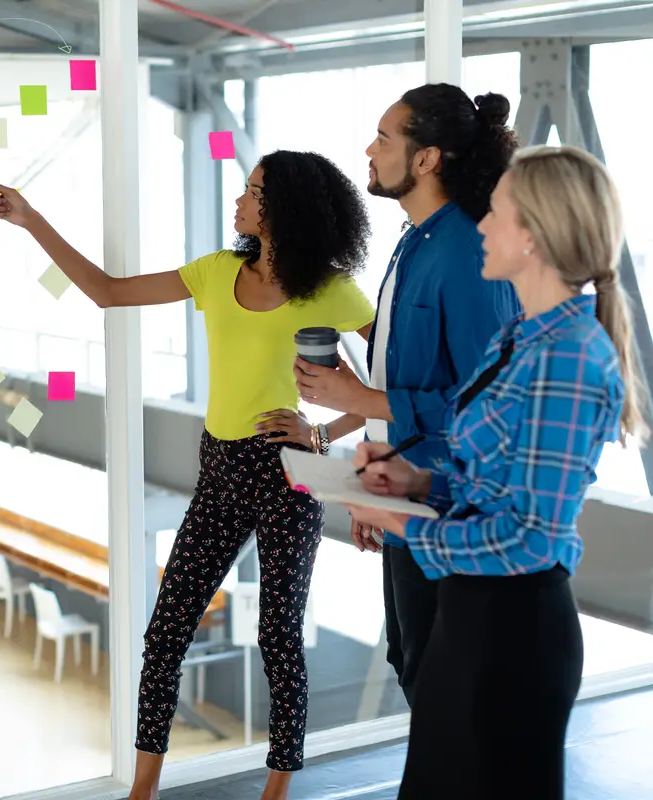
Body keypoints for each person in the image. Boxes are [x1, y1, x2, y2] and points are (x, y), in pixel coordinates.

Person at [0, 150, 377, 800]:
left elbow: (383, 381)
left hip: (288, 475)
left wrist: (319, 432)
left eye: (252, 192)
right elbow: (109, 292)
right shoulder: (216, 273)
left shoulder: (328, 290)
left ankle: (276, 791)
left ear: (284, 210)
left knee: (277, 636)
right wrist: (31, 220)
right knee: (165, 633)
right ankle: (142, 788)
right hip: (219, 470)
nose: (239, 202)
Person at [345, 145, 646, 798]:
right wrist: (417, 485)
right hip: (472, 616)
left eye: (498, 213)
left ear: (534, 235)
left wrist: (404, 525)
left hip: (513, 635)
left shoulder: (566, 356)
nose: (481, 225)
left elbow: (532, 537)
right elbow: (495, 480)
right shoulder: (521, 338)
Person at [295, 84, 521, 707]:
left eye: (384, 136)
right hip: (408, 505)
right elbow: (411, 382)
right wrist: (375, 484)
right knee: (415, 668)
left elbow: (490, 406)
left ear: (427, 159)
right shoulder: (412, 239)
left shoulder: (471, 251)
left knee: (450, 694)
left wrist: (362, 401)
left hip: (456, 515)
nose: (369, 149)